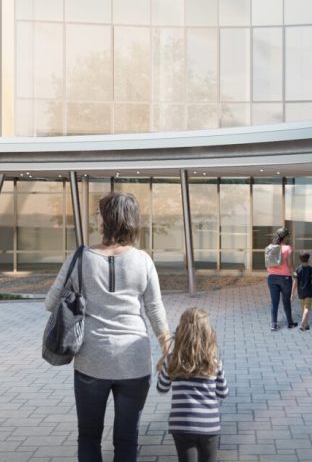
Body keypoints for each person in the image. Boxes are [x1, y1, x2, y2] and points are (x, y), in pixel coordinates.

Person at [44, 191, 172, 462]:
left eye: (99, 213)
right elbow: (154, 309)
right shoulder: (144, 260)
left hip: (92, 359)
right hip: (135, 361)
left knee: (89, 436)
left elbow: (50, 302)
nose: (97, 218)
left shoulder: (81, 257)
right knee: (127, 438)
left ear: (108, 220)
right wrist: (166, 345)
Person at [154, 307, 230, 462]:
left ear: (181, 331)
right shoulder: (214, 362)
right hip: (209, 425)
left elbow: (161, 388)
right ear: (208, 333)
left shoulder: (172, 360)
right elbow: (223, 393)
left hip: (181, 424)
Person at [264, 228, 295, 331]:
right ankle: (290, 323)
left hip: (271, 278)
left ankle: (274, 324)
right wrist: (294, 274)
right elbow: (290, 264)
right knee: (286, 302)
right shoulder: (287, 248)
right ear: (284, 237)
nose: (288, 238)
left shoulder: (270, 247)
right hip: (285, 278)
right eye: (288, 236)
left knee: (274, 302)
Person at [294, 252, 312, 331]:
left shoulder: (297, 269)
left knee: (303, 308)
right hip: (309, 291)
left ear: (300, 260)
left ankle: (306, 324)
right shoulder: (311, 269)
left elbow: (295, 282)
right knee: (307, 308)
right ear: (308, 260)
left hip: (300, 291)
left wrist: (292, 293)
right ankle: (302, 323)